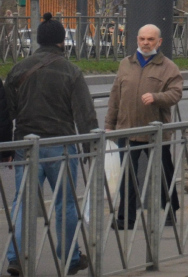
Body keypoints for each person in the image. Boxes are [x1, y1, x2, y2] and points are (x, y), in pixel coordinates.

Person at [5, 14, 97, 275]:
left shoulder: (18, 69)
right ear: (61, 42)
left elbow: (8, 111)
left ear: (38, 40)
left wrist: (9, 146)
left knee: (23, 202)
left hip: (27, 145)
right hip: (62, 145)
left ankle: (16, 258)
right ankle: (69, 258)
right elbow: (85, 113)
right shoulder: (71, 71)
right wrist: (90, 147)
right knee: (65, 204)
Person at [106, 25, 183, 229]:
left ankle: (170, 211)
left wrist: (157, 97)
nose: (145, 43)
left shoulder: (168, 67)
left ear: (159, 42)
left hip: (155, 131)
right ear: (137, 40)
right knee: (127, 176)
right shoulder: (126, 64)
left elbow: (176, 93)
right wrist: (109, 125)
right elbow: (115, 96)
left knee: (163, 173)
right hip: (127, 129)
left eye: (150, 39)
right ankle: (126, 218)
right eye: (142, 39)